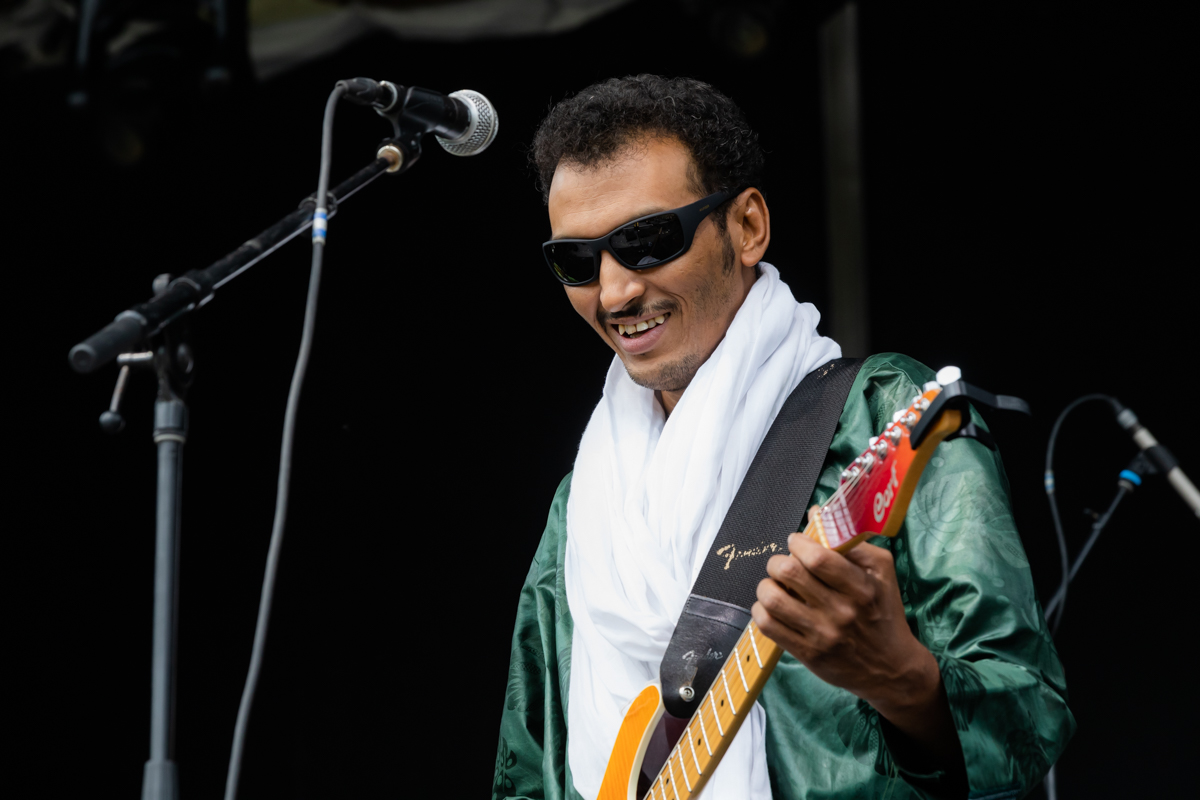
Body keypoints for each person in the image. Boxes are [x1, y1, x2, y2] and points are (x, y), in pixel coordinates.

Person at [493, 74, 1073, 800]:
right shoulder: (582, 503)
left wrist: (902, 681)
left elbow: (1028, 715)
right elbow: (526, 767)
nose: (613, 294)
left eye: (645, 241)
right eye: (577, 261)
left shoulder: (877, 412)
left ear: (747, 228)